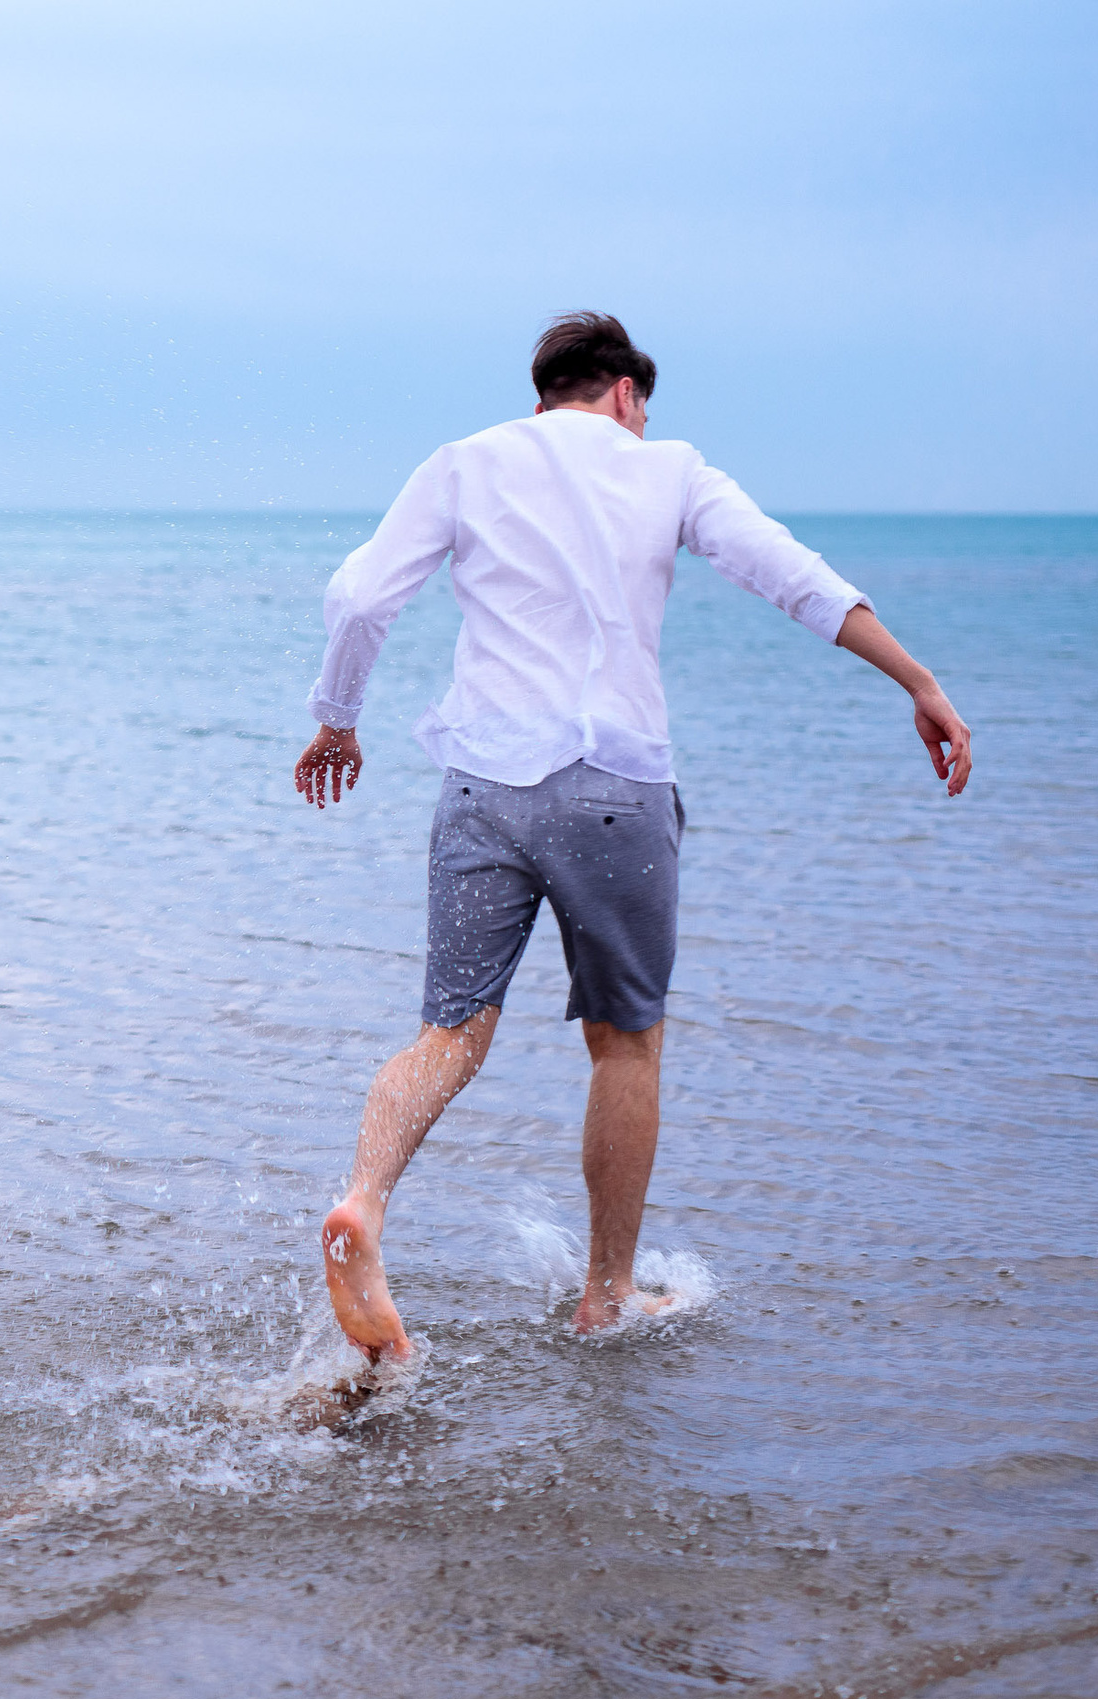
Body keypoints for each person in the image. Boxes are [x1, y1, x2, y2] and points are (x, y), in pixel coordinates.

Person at [292, 313, 971, 1362]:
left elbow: (359, 597)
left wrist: (338, 716)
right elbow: (794, 579)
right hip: (615, 791)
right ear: (622, 394)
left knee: (449, 1034)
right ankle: (605, 1294)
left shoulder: (467, 462)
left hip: (482, 789)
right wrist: (917, 680)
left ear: (542, 397)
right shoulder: (670, 469)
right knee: (625, 1040)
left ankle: (364, 1204)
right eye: (639, 408)